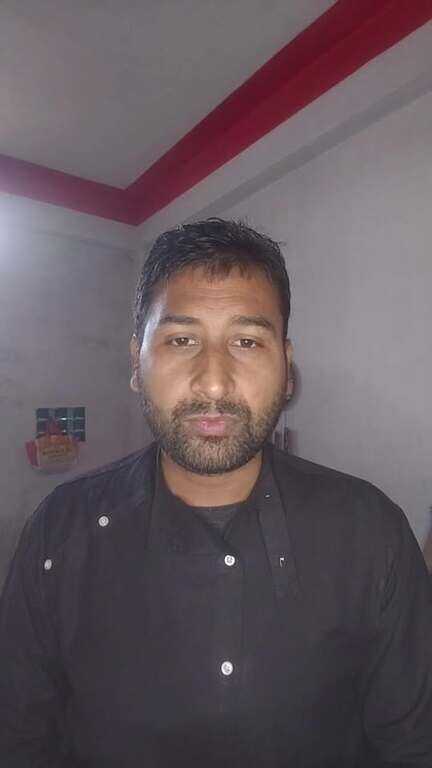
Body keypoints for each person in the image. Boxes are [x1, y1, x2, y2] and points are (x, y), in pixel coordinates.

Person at [0, 218, 431, 767]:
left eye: (246, 341)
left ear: (287, 368)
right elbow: (19, 739)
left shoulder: (372, 533)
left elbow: (412, 746)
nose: (213, 382)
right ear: (136, 364)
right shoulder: (59, 534)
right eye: (182, 340)